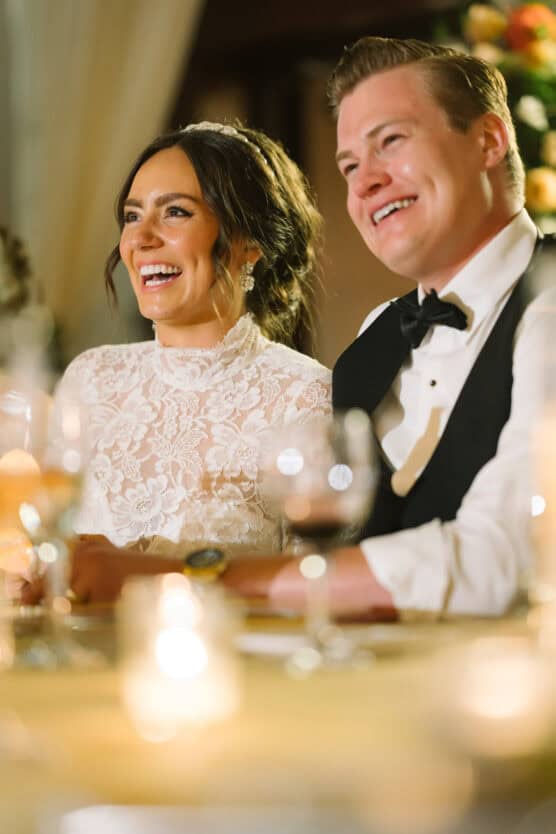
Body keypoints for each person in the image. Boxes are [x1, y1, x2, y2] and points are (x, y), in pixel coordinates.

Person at [220, 36, 554, 620]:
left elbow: (506, 558)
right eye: (349, 165)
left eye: (391, 142)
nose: (364, 182)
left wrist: (203, 579)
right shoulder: (375, 336)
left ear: (488, 140)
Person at [23, 121, 331, 603]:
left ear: (248, 242)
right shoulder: (91, 377)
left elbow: (319, 586)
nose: (141, 238)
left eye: (175, 212)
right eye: (131, 216)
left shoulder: (303, 394)